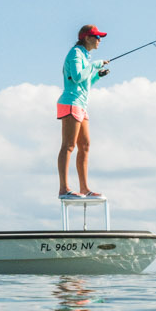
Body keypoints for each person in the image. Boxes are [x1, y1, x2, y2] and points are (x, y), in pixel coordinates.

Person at [57, 24, 108, 199]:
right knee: (69, 146)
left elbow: (83, 82)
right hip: (71, 103)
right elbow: (78, 76)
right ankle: (64, 188)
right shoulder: (76, 54)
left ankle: (84, 188)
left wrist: (97, 75)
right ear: (87, 38)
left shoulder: (84, 56)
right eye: (97, 37)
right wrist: (95, 65)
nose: (100, 40)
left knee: (85, 146)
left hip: (81, 104)